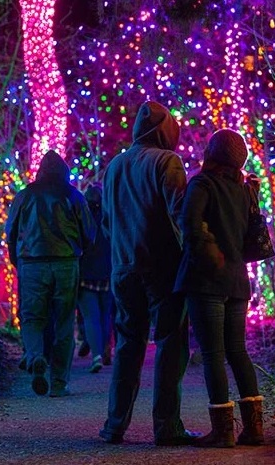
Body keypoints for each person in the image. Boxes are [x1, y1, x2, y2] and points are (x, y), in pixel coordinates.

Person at [99, 100, 198, 446]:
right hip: (162, 269)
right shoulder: (167, 162)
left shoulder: (114, 166)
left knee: (128, 345)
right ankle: (167, 426)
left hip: (122, 268)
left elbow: (107, 222)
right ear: (165, 130)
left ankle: (115, 425)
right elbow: (179, 215)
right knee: (170, 344)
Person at [174, 128, 264, 448]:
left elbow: (190, 225)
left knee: (213, 353)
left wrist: (211, 257)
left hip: (208, 282)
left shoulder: (202, 183)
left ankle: (224, 431)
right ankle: (254, 429)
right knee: (237, 351)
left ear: (211, 152)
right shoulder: (244, 189)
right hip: (238, 281)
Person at [5, 150, 96, 397]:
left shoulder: (24, 196)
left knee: (33, 318)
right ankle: (59, 382)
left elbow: (11, 231)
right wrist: (78, 254)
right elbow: (89, 233)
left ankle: (35, 356)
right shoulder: (74, 196)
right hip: (66, 263)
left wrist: (18, 260)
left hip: (32, 263)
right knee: (64, 321)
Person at [76, 184, 114, 373]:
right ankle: (106, 347)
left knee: (90, 316)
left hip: (86, 274)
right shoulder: (110, 217)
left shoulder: (81, 218)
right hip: (107, 272)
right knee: (105, 315)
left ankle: (96, 354)